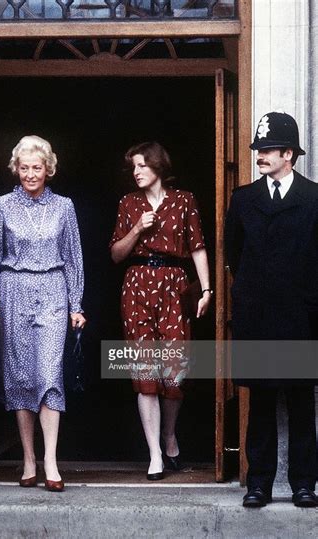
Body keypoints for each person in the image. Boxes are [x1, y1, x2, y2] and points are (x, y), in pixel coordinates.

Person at [0, 135, 86, 492]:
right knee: (20, 377)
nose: (30, 174)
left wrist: (76, 305)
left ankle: (51, 459)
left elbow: (73, 257)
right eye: (24, 168)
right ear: (16, 169)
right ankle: (28, 459)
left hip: (53, 289)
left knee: (50, 374)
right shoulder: (0, 206)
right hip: (13, 292)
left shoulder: (64, 207)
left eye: (37, 168)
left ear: (48, 169)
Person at [225, 111, 318, 508]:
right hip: (259, 317)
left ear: (289, 154)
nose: (260, 156)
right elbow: (234, 253)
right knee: (260, 403)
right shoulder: (244, 199)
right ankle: (258, 484)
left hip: (300, 316)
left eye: (267, 150)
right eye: (258, 150)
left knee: (300, 403)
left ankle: (303, 484)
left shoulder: (314, 198)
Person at [110, 141, 211, 479]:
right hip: (137, 285)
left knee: (174, 371)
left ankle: (169, 435)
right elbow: (115, 254)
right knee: (144, 373)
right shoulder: (128, 203)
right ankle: (154, 453)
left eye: (142, 166)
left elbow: (197, 246)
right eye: (133, 167)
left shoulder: (184, 200)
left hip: (174, 286)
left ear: (158, 167)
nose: (136, 172)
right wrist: (137, 228)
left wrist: (207, 289)